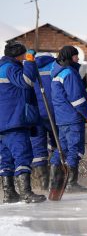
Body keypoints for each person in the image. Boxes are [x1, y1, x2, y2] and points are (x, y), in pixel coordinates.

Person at [0, 41, 46, 203]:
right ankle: (26, 192)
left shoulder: (1, 68)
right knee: (23, 155)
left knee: (6, 159)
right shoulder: (11, 68)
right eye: (22, 56)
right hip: (14, 122)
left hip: (3, 123)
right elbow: (26, 81)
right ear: (18, 55)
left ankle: (9, 193)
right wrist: (31, 62)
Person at [50, 45, 87, 193]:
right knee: (75, 149)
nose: (78, 58)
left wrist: (83, 85)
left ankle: (54, 182)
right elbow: (76, 99)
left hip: (62, 117)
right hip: (73, 117)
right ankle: (71, 183)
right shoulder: (69, 73)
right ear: (70, 57)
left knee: (62, 148)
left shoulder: (57, 72)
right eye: (76, 56)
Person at [30, 53, 56, 190]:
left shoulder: (30, 67)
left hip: (35, 114)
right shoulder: (55, 65)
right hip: (53, 112)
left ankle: (43, 184)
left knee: (38, 148)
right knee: (57, 143)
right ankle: (55, 180)